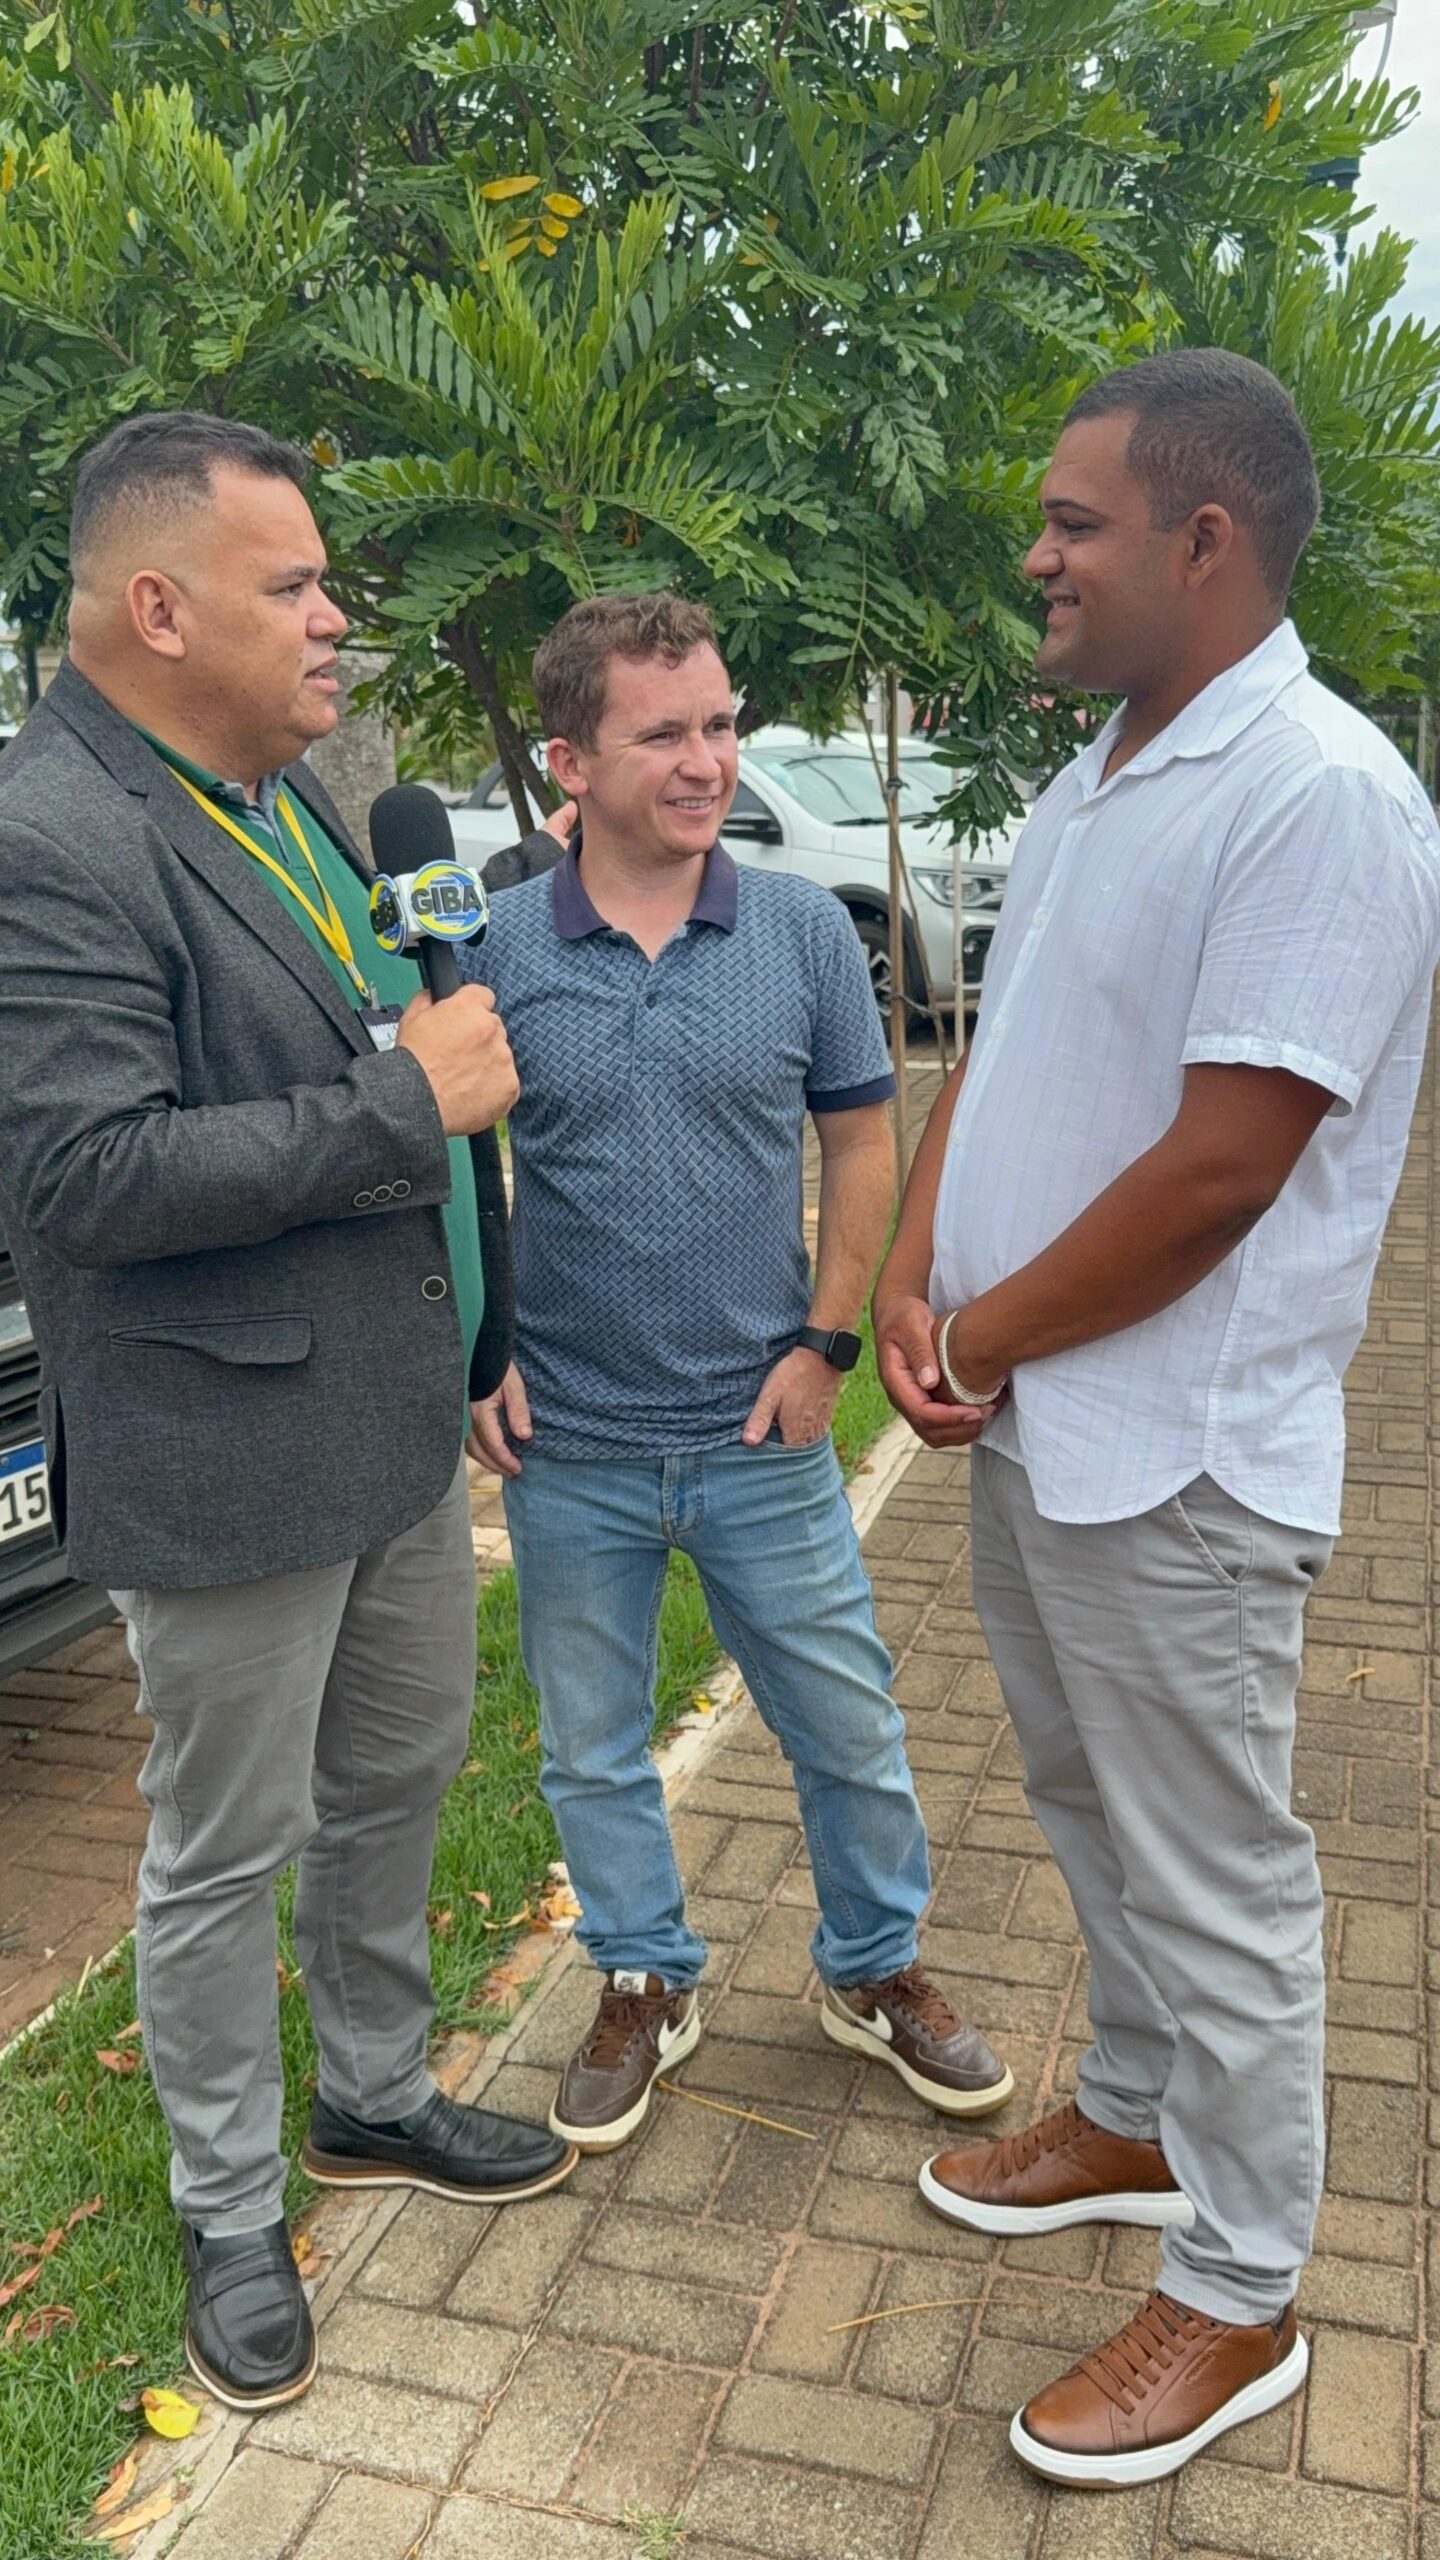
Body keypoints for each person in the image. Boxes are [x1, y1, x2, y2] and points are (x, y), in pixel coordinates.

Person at [874, 348, 1440, 2487]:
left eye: (1072, 521)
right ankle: (1131, 2107)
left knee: (1220, 1873)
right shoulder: (1103, 771)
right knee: (1082, 1793)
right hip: (1043, 1418)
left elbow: (1224, 1166)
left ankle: (1244, 2282)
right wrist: (917, 1279)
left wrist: (983, 1335)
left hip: (1178, 1454)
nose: (1036, 554)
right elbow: (999, 1053)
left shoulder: (1319, 796)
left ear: (1205, 539)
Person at [0, 413, 574, 2417]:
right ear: (160, 608)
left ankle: (375, 2091)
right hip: (224, 1453)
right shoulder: (52, 834)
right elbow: (84, 1177)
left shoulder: (294, 794)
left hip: (392, 1418)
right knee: (222, 1842)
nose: (338, 618)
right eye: (298, 584)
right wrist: (406, 1101)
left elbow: (378, 1026)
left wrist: (479, 1321)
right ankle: (232, 2205)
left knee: (397, 1773)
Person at [466, 591, 1013, 2151]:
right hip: (569, 1441)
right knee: (590, 1745)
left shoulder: (797, 934)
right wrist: (476, 1356)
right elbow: (452, 1170)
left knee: (847, 1724)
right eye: (666, 734)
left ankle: (873, 1967)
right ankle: (644, 1975)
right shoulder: (494, 949)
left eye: (720, 725)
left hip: (760, 1427)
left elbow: (861, 1143)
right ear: (571, 761)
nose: (708, 761)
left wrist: (825, 1346)